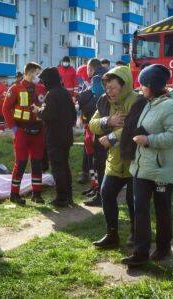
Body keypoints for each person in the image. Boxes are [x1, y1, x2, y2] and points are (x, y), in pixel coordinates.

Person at [121, 64, 173, 266]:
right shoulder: (148, 102)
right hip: (142, 168)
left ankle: (164, 248)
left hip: (162, 171)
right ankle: (140, 253)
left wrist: (149, 140)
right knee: (139, 209)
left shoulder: (170, 106)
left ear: (152, 86)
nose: (140, 88)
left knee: (162, 209)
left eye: (143, 84)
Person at [89, 66, 138, 249]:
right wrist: (108, 121)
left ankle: (136, 233)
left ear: (124, 86)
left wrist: (111, 135)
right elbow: (92, 125)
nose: (109, 92)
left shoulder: (136, 100)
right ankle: (112, 235)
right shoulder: (104, 102)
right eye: (107, 87)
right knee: (106, 193)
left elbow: (134, 127)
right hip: (114, 159)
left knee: (133, 200)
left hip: (135, 158)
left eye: (113, 88)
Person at [2, 62, 46, 205]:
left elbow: (45, 106)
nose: (38, 76)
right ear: (29, 72)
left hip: (38, 130)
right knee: (21, 162)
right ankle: (14, 194)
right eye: (37, 73)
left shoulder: (41, 88)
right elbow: (5, 109)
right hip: (21, 130)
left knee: (37, 162)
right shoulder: (15, 88)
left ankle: (37, 194)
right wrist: (13, 127)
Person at [33, 67, 77, 207]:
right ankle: (68, 197)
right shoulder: (65, 93)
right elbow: (73, 115)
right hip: (66, 136)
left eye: (44, 81)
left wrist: (38, 111)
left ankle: (62, 198)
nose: (43, 84)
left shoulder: (51, 95)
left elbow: (48, 115)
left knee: (58, 168)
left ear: (48, 81)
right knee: (65, 167)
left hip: (54, 137)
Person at [77, 58, 108, 207]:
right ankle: (95, 187)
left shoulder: (98, 79)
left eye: (87, 70)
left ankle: (99, 192)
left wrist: (82, 99)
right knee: (94, 159)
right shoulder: (105, 76)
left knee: (97, 160)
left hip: (97, 125)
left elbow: (93, 102)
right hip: (98, 124)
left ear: (91, 68)